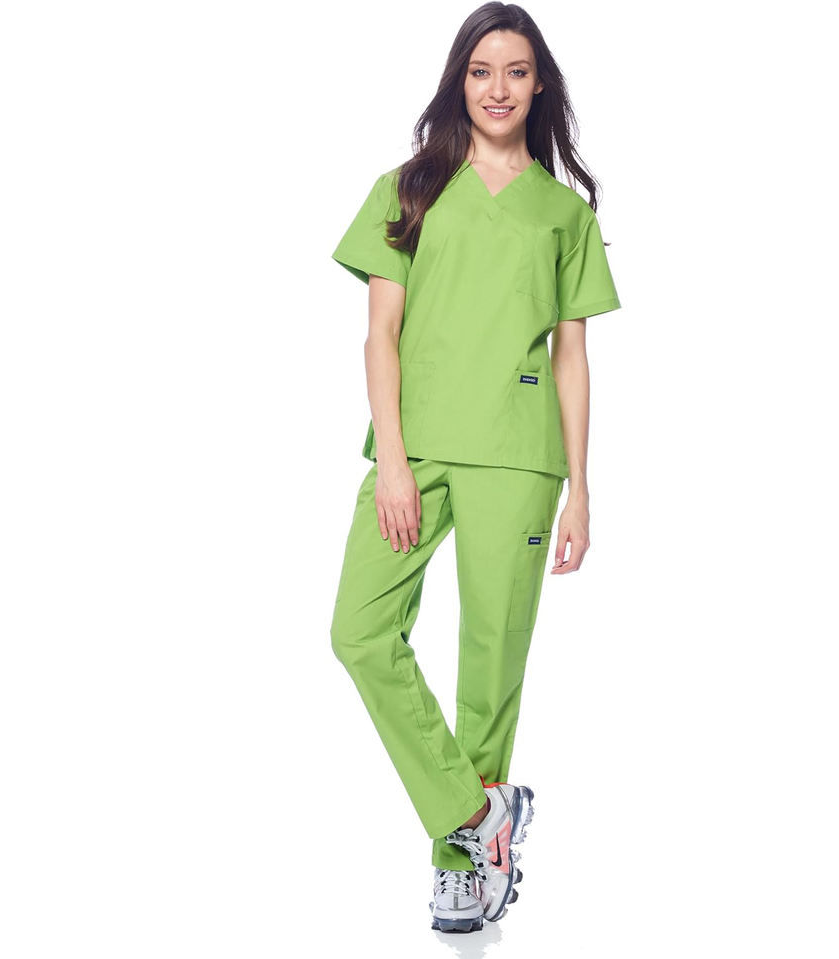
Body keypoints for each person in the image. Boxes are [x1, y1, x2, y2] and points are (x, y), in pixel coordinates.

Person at [329, 2, 621, 934]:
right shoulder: (408, 188)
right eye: (481, 70)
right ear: (460, 80)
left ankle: (462, 873)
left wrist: (581, 488)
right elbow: (380, 335)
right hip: (416, 448)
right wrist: (394, 459)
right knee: (360, 632)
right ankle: (476, 813)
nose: (498, 89)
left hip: (520, 454)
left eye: (517, 71)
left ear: (539, 86)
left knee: (490, 662)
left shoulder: (564, 215)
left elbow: (572, 357)